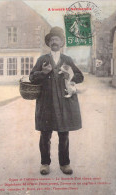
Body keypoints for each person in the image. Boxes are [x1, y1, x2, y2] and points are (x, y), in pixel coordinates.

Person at [29, 27, 84, 175]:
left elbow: (80, 77)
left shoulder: (67, 60)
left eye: (57, 39)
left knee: (64, 134)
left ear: (62, 42)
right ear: (49, 42)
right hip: (46, 102)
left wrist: (70, 76)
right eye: (52, 39)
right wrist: (44, 72)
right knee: (45, 134)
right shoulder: (42, 60)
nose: (54, 42)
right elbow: (32, 78)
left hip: (63, 103)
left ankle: (65, 164)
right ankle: (45, 163)